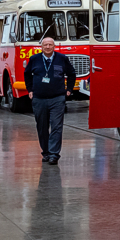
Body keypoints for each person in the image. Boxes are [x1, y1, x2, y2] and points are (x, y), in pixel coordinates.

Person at [23, 36, 77, 165]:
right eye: (45, 45)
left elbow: (72, 73)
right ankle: (46, 152)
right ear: (41, 47)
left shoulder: (62, 59)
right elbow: (27, 74)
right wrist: (30, 90)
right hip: (39, 99)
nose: (48, 47)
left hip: (57, 98)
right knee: (42, 127)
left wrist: (69, 89)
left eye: (50, 45)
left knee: (56, 127)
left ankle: (54, 154)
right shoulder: (34, 59)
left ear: (54, 46)